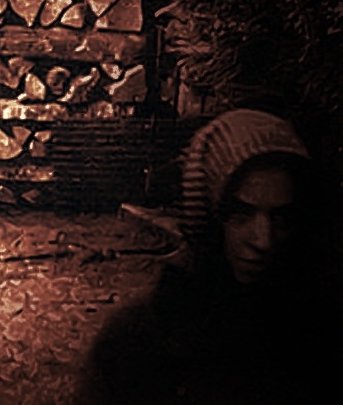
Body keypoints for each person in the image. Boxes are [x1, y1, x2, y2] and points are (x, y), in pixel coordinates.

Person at [82, 108, 342, 405]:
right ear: (208, 217)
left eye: (280, 218)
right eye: (241, 215)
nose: (264, 240)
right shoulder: (140, 339)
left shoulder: (316, 330)